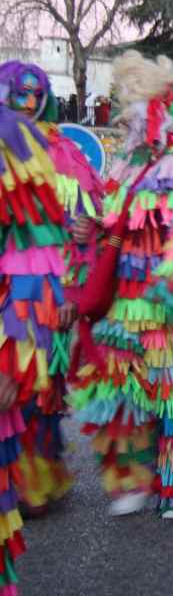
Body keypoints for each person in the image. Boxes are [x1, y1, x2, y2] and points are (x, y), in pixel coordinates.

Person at [69, 51, 173, 519]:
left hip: (171, 301)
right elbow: (114, 219)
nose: (128, 120)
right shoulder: (125, 163)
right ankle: (134, 477)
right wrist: (92, 230)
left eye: (135, 110)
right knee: (117, 389)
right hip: (126, 302)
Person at [0, 61, 101, 517]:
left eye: (32, 93)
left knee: (36, 387)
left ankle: (35, 480)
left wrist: (68, 288)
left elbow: (76, 225)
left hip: (38, 289)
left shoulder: (62, 152)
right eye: (16, 94)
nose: (25, 102)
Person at [0, 71, 68, 596]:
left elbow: (36, 255)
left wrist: (18, 357)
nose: (24, 105)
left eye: (31, 97)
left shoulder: (21, 151)